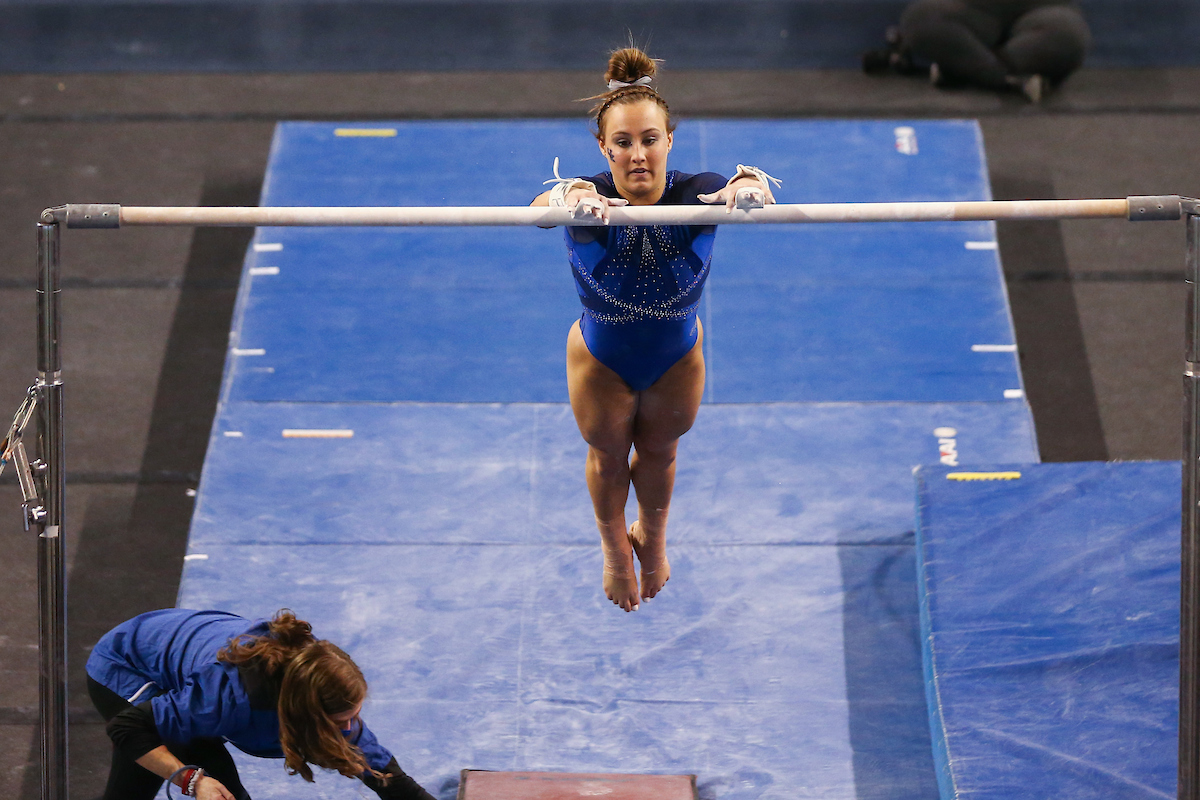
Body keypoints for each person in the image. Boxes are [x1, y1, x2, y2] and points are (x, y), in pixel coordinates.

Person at [531, 47, 779, 612]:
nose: (638, 155)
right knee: (609, 455)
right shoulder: (587, 195)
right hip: (601, 360)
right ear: (604, 147)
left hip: (675, 358)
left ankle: (653, 538)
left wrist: (748, 185)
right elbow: (539, 206)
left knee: (661, 452)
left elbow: (736, 182)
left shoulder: (697, 192)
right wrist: (567, 196)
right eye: (623, 143)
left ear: (669, 140)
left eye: (649, 140)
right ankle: (616, 553)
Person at [85, 608, 434, 800]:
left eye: (353, 716)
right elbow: (127, 727)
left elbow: (389, 779)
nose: (347, 729)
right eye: (338, 721)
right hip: (129, 662)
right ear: (305, 711)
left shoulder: (322, 691)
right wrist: (191, 780)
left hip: (190, 653)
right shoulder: (229, 697)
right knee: (204, 786)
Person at [862, 0, 1091, 102]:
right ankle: (1006, 79)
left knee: (1069, 37)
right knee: (921, 18)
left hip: (1045, 9)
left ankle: (963, 70)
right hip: (972, 11)